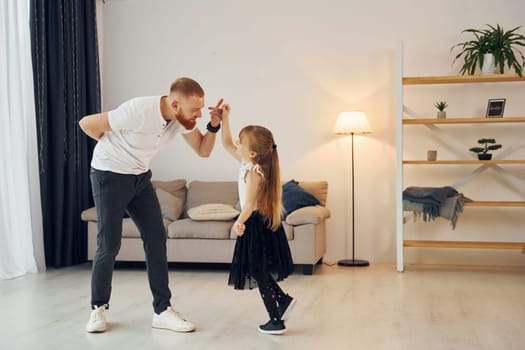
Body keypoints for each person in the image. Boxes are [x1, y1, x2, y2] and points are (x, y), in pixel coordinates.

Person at [79, 77, 224, 333]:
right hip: (109, 175)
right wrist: (111, 147)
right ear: (176, 105)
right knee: (109, 243)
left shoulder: (181, 120)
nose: (199, 115)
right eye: (195, 110)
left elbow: (203, 150)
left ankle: (162, 310)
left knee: (156, 238)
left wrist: (213, 126)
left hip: (140, 178)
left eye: (201, 109)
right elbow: (87, 123)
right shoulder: (138, 110)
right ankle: (98, 310)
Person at [220, 105, 295, 335]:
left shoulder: (255, 173)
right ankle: (282, 300)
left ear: (252, 152)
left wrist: (237, 222)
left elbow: (250, 205)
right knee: (257, 268)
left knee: (258, 270)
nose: (237, 145)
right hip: (254, 222)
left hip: (256, 223)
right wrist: (225, 118)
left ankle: (276, 319)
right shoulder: (247, 164)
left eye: (241, 143)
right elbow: (226, 143)